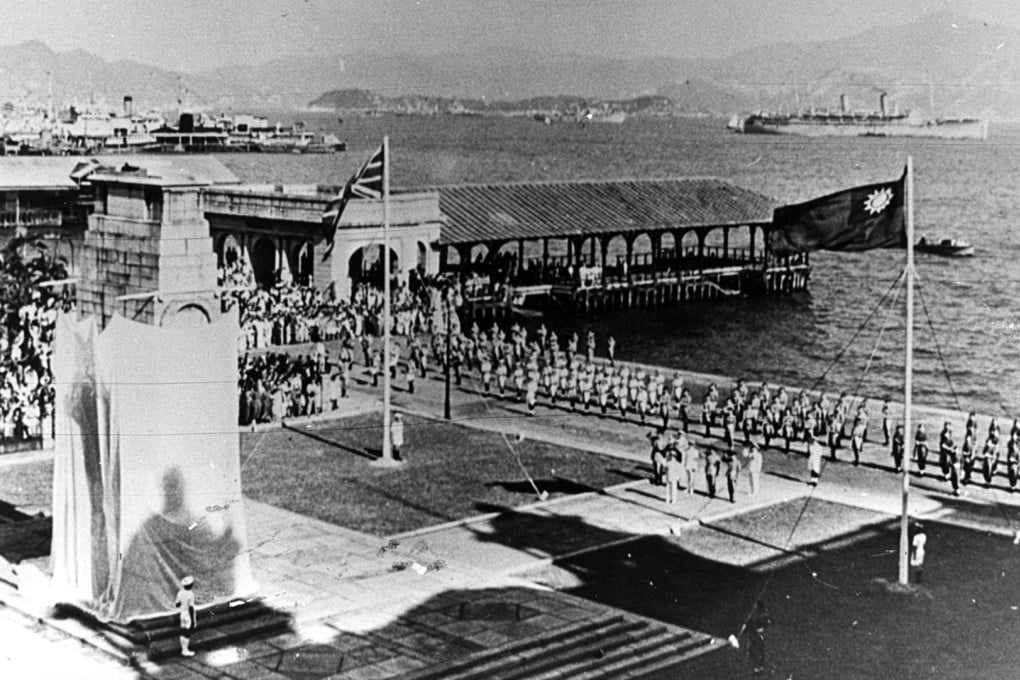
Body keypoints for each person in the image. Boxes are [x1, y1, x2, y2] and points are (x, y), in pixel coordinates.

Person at [746, 600, 771, 676]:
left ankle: (758, 667)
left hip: (755, 635)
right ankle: (759, 666)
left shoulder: (758, 615)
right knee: (758, 650)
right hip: (756, 634)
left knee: (756, 650)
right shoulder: (761, 614)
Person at [175, 575, 197, 657]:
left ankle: (183, 649)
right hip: (188, 614)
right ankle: (185, 650)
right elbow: (191, 607)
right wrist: (192, 620)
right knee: (187, 633)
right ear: (191, 585)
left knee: (182, 631)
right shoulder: (191, 594)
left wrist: (182, 603)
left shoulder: (180, 593)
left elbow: (177, 604)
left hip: (182, 613)